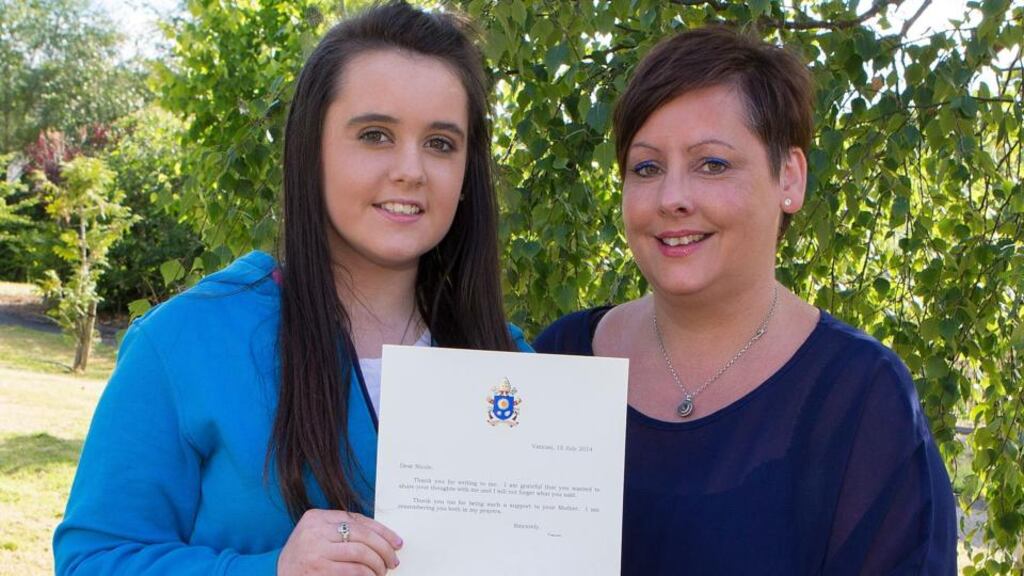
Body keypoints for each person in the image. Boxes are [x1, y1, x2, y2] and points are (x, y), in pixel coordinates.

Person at [54, 2, 529, 574]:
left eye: (441, 143)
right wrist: (271, 569)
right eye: (375, 135)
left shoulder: (513, 371)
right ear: (310, 148)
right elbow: (92, 560)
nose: (411, 169)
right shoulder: (186, 342)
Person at [534, 26, 957, 575]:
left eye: (712, 164)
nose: (672, 198)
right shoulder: (559, 361)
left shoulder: (862, 400)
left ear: (790, 178)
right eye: (646, 168)